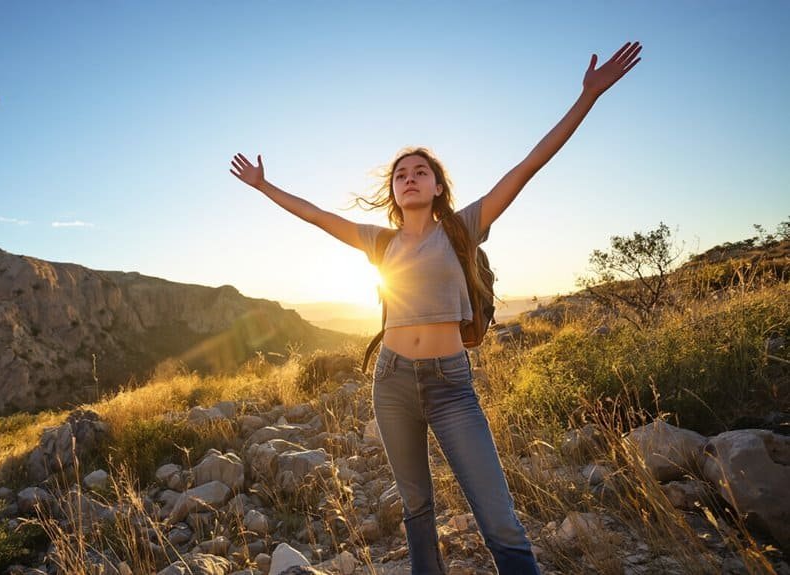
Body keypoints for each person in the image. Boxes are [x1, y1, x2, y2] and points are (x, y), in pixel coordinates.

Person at [230, 41, 642, 575]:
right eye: (401, 174)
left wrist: (587, 97)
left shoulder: (464, 227)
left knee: (499, 521)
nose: (410, 177)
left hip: (452, 385)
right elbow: (315, 215)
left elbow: (531, 163)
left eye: (420, 170)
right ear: (394, 194)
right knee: (417, 509)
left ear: (438, 185)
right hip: (392, 381)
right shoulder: (380, 243)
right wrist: (265, 187)